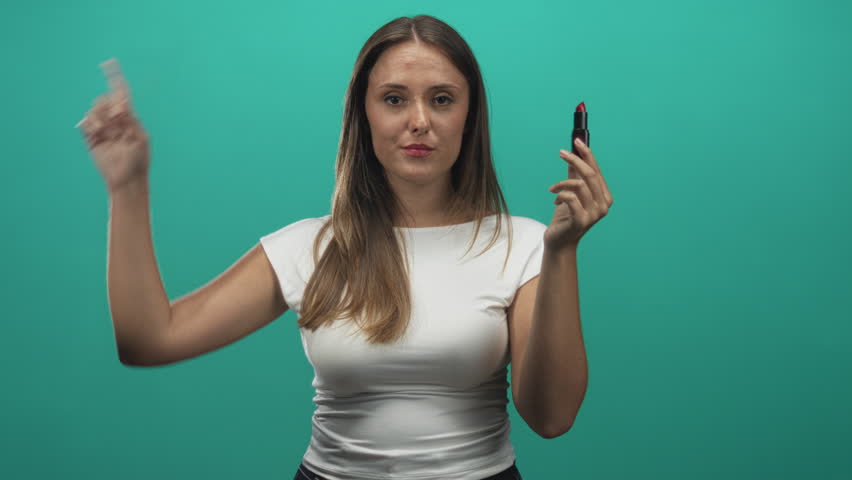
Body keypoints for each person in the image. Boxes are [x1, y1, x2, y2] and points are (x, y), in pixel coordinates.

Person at [78, 14, 613, 480]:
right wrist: (127, 187)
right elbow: (149, 339)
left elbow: (551, 417)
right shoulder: (306, 248)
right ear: (364, 114)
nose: (419, 121)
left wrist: (561, 252)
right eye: (394, 99)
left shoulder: (521, 244)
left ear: (470, 116)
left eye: (443, 99)